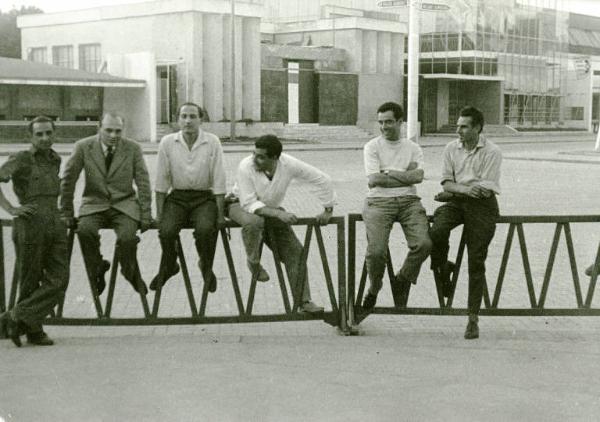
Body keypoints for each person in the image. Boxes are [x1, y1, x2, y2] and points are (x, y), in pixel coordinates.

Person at [227, 134, 336, 314]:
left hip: (270, 210)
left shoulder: (288, 164)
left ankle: (304, 301)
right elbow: (248, 203)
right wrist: (279, 213)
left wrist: (328, 208)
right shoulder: (246, 165)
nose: (255, 159)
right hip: (238, 204)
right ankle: (253, 262)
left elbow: (321, 178)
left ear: (275, 158)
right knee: (254, 221)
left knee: (296, 252)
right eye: (254, 153)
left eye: (261, 156)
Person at [429, 106, 502, 340]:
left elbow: (484, 190)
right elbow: (446, 183)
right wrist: (458, 190)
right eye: (458, 125)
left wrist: (454, 190)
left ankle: (472, 318)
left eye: (464, 126)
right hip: (458, 202)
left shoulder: (492, 151)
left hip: (482, 207)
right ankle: (444, 269)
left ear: (478, 128)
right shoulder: (451, 148)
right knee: (436, 232)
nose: (458, 130)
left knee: (476, 260)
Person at [61, 112, 152, 296]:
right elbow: (68, 180)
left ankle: (130, 272)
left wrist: (145, 214)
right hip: (94, 204)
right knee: (85, 230)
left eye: (118, 131)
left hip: (124, 204)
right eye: (108, 130)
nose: (113, 135)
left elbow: (143, 182)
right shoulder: (83, 147)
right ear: (99, 128)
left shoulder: (132, 148)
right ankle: (97, 268)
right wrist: (66, 212)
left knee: (127, 238)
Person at [0, 116, 68, 347]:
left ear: (54, 134)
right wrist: (11, 208)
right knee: (29, 279)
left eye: (49, 133)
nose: (45, 138)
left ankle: (14, 317)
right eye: (39, 134)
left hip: (55, 223)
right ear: (30, 137)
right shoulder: (21, 158)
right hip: (29, 224)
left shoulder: (55, 159)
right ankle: (34, 331)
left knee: (60, 279)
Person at [361, 102, 432, 312]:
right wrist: (403, 175)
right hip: (378, 203)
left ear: (400, 122)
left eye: (389, 122)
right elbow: (373, 179)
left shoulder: (413, 148)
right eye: (381, 122)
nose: (384, 127)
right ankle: (374, 287)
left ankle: (402, 278)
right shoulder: (372, 147)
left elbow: (418, 177)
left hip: (409, 202)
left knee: (424, 243)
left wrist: (388, 173)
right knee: (376, 252)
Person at [150, 103, 226, 292]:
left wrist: (220, 214)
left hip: (203, 198)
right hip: (177, 197)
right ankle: (170, 265)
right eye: (183, 116)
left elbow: (218, 178)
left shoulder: (212, 141)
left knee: (206, 230)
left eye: (193, 116)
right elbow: (161, 180)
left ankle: (206, 266)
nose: (188, 121)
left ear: (201, 119)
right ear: (178, 119)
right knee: (166, 230)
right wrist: (159, 214)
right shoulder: (167, 142)